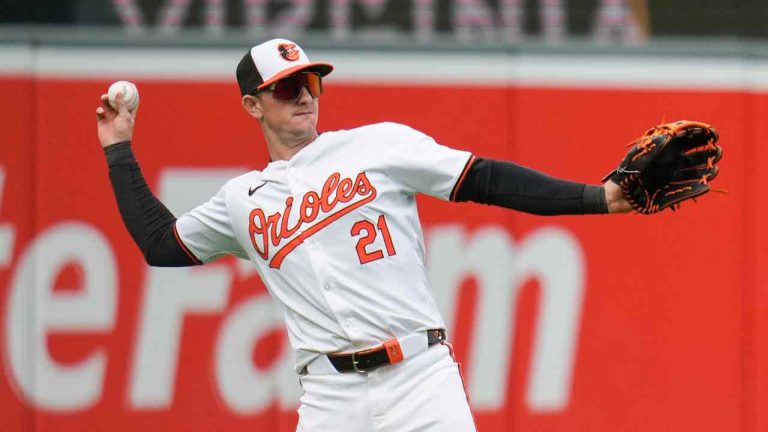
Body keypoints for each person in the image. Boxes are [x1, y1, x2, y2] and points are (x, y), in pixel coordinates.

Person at [95, 38, 630, 431]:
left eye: (310, 81)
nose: (304, 95)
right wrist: (119, 148)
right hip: (330, 399)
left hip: (421, 380)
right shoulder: (242, 200)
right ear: (252, 106)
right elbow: (161, 244)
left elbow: (483, 178)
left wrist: (597, 197)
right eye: (285, 87)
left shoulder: (378, 145)